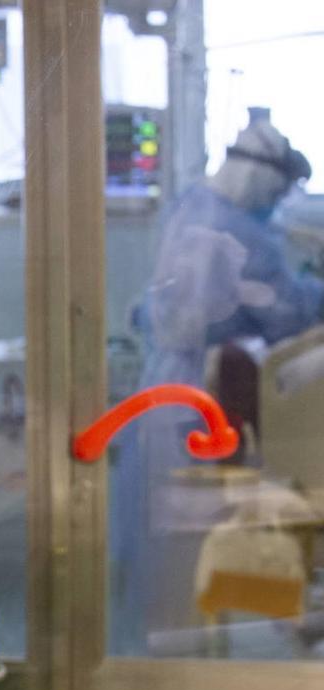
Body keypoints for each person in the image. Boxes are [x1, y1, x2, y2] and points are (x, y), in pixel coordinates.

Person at [110, 114, 320, 653]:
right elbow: (288, 315)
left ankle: (159, 642)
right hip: (195, 403)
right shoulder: (244, 231)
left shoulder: (190, 205)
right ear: (264, 178)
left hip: (161, 393)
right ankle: (183, 649)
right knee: (193, 538)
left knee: (153, 533)